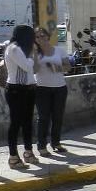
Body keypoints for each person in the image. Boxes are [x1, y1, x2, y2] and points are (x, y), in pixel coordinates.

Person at [4, 25, 38, 168]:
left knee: (27, 122)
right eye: (32, 36)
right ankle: (13, 157)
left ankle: (28, 152)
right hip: (17, 91)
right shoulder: (14, 48)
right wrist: (33, 55)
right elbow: (28, 66)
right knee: (16, 123)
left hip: (28, 90)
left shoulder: (23, 49)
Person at [34, 27, 70, 156]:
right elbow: (33, 70)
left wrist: (55, 67)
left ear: (48, 36)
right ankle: (41, 145)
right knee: (43, 118)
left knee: (58, 117)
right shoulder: (34, 52)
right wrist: (34, 54)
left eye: (42, 35)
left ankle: (56, 142)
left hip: (60, 88)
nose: (40, 38)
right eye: (37, 37)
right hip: (41, 88)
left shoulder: (59, 50)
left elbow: (68, 67)